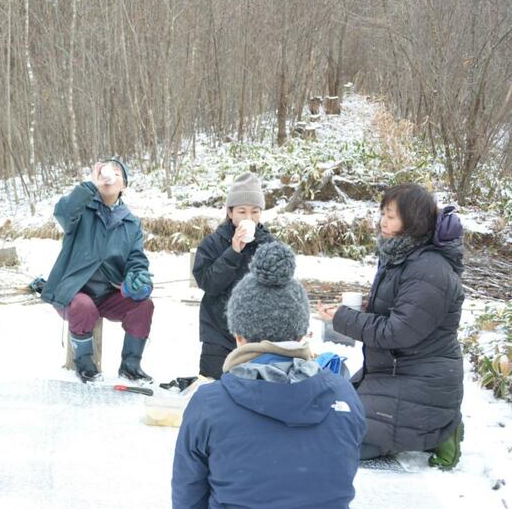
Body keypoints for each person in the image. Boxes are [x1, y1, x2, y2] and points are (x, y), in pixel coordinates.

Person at [173, 242, 366, 509]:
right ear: (301, 335)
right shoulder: (343, 395)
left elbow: (188, 495)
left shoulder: (209, 403)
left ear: (238, 336)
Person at [317, 183, 465, 469]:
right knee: (329, 411)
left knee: (337, 438)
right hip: (392, 373)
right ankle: (429, 429)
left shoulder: (430, 269)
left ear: (414, 222)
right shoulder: (402, 257)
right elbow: (401, 313)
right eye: (383, 213)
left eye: (392, 216)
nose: (383, 221)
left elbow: (399, 331)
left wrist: (343, 319)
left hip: (421, 385)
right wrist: (362, 309)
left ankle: (444, 430)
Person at [41, 159, 154, 383]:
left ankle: (131, 365)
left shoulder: (131, 224)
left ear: (124, 186)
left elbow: (136, 259)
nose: (109, 177)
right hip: (75, 292)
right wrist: (89, 186)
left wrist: (137, 278)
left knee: (144, 306)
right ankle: (84, 364)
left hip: (110, 294)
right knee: (83, 306)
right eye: (105, 172)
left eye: (117, 174)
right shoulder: (81, 209)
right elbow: (62, 213)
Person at [192, 172, 274, 379]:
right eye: (242, 211)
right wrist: (233, 252)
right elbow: (208, 284)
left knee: (254, 390)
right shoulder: (213, 244)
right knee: (213, 386)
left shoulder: (270, 245)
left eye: (255, 212)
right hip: (218, 331)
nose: (249, 218)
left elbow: (280, 284)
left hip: (257, 334)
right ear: (230, 212)